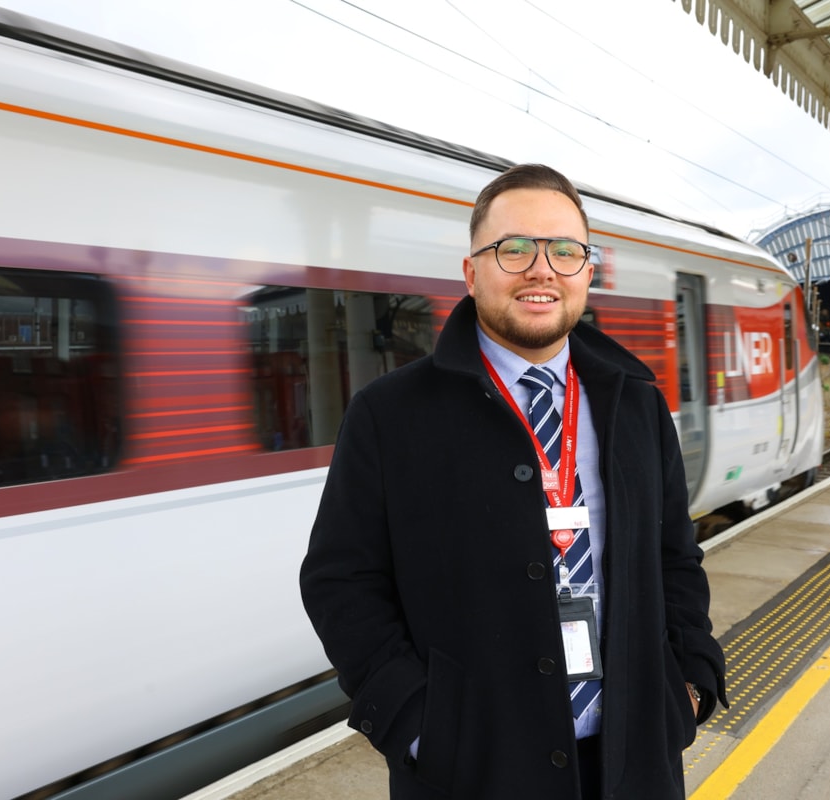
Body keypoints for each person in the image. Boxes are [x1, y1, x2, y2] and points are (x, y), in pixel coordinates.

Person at [300, 164, 727, 799]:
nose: (541, 269)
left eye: (564, 250)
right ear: (472, 273)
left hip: (632, 762)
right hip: (471, 772)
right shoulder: (389, 414)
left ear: (587, 271)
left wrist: (689, 683)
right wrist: (417, 725)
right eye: (514, 249)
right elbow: (341, 580)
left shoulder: (634, 403)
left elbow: (675, 558)